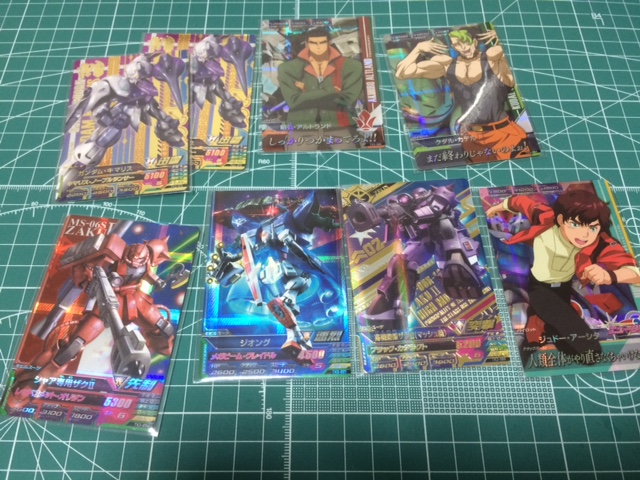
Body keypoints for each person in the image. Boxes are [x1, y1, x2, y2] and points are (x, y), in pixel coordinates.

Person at [486, 189, 640, 360]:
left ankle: (532, 340)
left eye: (593, 227)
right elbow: (520, 202)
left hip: (564, 288)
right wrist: (497, 207)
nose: (584, 235)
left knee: (547, 332)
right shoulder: (545, 216)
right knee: (588, 348)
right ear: (560, 219)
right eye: (576, 225)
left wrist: (610, 276)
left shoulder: (600, 242)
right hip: (539, 287)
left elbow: (634, 272)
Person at [396, 28, 531, 162]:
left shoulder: (492, 58)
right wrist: (418, 49)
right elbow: (401, 73)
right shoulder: (446, 65)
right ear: (454, 47)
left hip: (503, 134)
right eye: (458, 44)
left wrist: (505, 35)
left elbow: (526, 52)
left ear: (474, 42)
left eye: (466, 42)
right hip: (472, 138)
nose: (464, 47)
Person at [277, 26, 363, 151]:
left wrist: (306, 93)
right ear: (306, 44)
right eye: (313, 43)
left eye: (322, 43)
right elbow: (294, 101)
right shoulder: (288, 68)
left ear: (329, 43)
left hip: (340, 125)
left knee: (350, 161)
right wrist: (332, 91)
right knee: (296, 162)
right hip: (302, 128)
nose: (318, 47)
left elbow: (347, 100)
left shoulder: (351, 66)